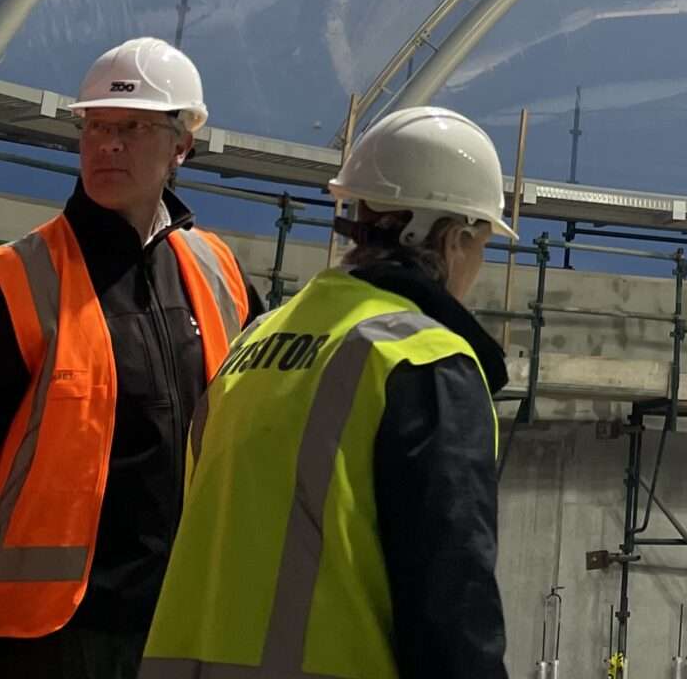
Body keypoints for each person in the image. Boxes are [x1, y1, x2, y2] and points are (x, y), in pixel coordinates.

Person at [0, 39, 259, 679]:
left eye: (132, 127)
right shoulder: (16, 282)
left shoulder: (219, 273)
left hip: (182, 620)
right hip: (47, 641)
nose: (109, 144)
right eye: (96, 126)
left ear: (181, 145)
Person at [140, 106, 514, 679]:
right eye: (482, 242)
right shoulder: (422, 360)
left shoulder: (255, 342)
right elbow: (452, 604)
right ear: (454, 239)